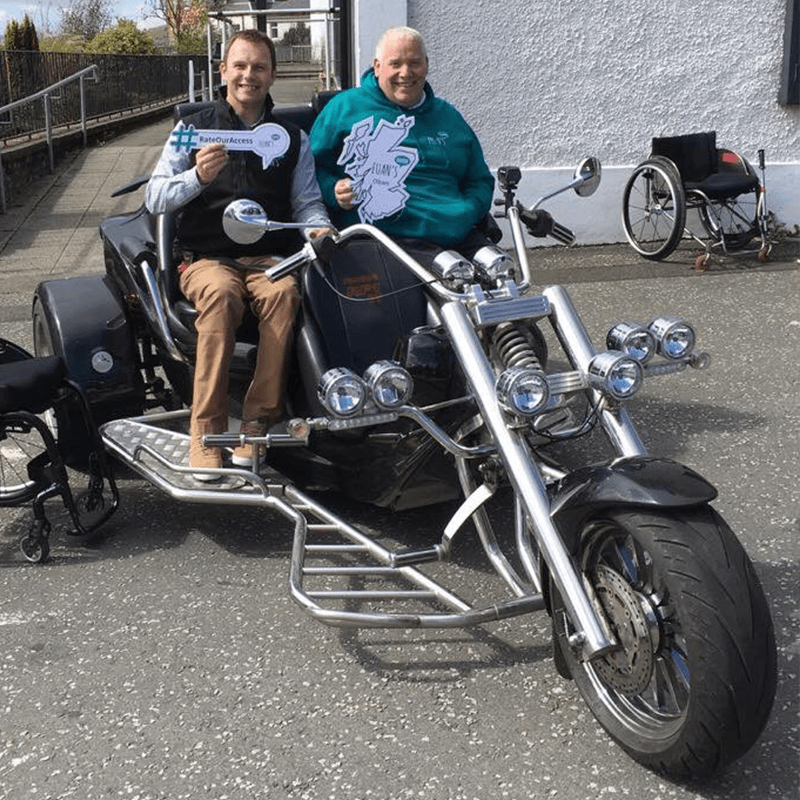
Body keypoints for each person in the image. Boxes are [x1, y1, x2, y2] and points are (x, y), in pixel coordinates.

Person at [145, 30, 331, 480]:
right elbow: (155, 197)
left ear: (273, 75)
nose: (249, 75)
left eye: (259, 67)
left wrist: (318, 226)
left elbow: (306, 201)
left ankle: (256, 424)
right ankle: (205, 430)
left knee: (285, 295)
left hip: (268, 258)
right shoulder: (192, 130)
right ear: (223, 71)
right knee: (221, 295)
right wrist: (197, 178)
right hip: (207, 257)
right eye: (241, 66)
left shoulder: (292, 138)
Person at [308, 26, 495, 261]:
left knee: (502, 272)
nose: (405, 73)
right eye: (395, 64)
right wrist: (332, 190)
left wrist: (469, 211)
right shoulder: (345, 107)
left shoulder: (449, 116)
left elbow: (480, 180)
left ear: (426, 65)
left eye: (414, 63)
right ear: (377, 67)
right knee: (449, 276)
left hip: (455, 231)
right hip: (383, 238)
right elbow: (308, 170)